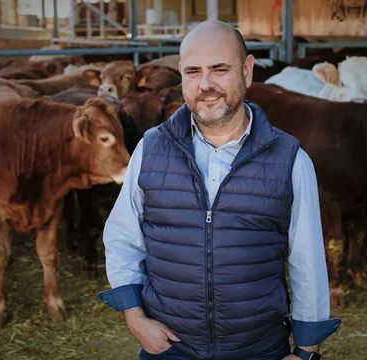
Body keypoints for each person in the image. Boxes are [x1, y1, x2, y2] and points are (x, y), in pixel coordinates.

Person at [99, 20, 340, 360]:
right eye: (193, 71)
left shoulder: (290, 160)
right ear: (181, 76)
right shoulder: (151, 149)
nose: (206, 84)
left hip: (258, 349)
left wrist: (306, 350)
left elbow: (308, 261)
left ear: (247, 71)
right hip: (170, 350)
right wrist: (134, 317)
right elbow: (123, 238)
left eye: (220, 69)